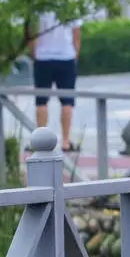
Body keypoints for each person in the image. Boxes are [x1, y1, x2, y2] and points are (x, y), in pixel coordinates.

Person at [30, 11, 81, 152]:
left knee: (41, 101)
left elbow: (31, 33)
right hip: (66, 57)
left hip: (43, 57)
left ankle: (40, 142)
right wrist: (75, 55)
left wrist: (34, 53)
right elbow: (76, 35)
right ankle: (65, 141)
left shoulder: (38, 8)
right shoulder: (70, 7)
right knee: (67, 101)